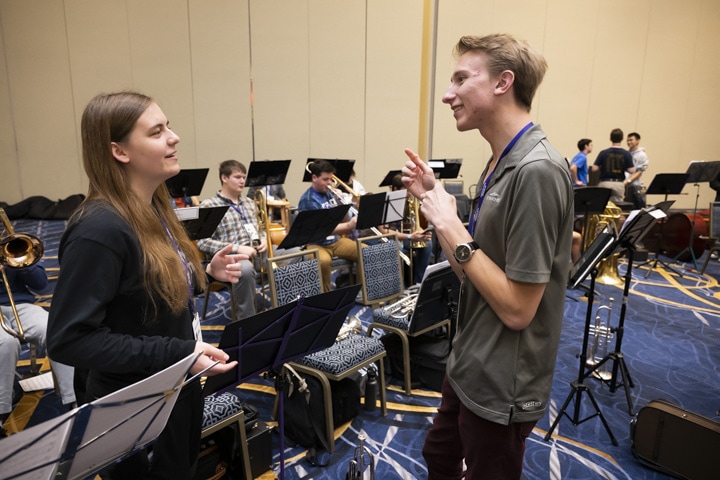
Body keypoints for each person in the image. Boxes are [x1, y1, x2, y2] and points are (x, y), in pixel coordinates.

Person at [401, 34, 573, 479]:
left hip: (502, 382)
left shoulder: (536, 170)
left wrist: (453, 225)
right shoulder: (501, 161)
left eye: (461, 78)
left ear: (503, 83)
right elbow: (469, 270)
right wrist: (440, 214)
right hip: (469, 361)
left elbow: (517, 309)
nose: (447, 94)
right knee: (440, 459)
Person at [47, 91, 242, 479]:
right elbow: (70, 339)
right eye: (157, 131)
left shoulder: (153, 206)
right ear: (119, 151)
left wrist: (203, 275)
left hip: (176, 382)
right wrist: (180, 351)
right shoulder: (98, 229)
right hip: (133, 403)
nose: (174, 137)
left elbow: (141, 295)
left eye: (168, 126)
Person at [197, 160, 302, 320]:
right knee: (244, 269)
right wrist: (237, 248)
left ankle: (285, 306)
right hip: (231, 258)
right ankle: (247, 321)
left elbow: (260, 228)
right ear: (224, 178)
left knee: (296, 252)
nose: (242, 181)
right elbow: (203, 242)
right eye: (237, 177)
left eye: (244, 177)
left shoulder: (249, 203)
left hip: (258, 252)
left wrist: (264, 239)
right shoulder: (209, 205)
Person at [1, 264, 76, 437]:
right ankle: (1, 412)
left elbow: (41, 284)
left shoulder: (7, 240)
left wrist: (20, 264)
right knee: (6, 343)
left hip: (20, 305)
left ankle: (74, 399)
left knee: (55, 331)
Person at [297, 159, 359, 292]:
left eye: (331, 179)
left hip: (335, 242)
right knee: (324, 262)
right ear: (314, 178)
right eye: (325, 179)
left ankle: (360, 292)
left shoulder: (330, 193)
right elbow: (322, 230)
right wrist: (349, 225)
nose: (329, 183)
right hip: (315, 243)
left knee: (365, 251)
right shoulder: (308, 200)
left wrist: (342, 204)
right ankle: (326, 296)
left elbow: (343, 220)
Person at [379, 173, 433, 285]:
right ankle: (398, 286)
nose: (410, 194)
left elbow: (412, 225)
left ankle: (419, 282)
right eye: (406, 191)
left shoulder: (408, 202)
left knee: (427, 243)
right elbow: (384, 231)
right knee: (396, 246)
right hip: (384, 238)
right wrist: (410, 236)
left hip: (403, 236)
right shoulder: (384, 202)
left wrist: (420, 234)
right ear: (395, 189)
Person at [591, 128, 635, 203]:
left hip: (605, 182)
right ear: (622, 139)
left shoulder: (603, 152)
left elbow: (594, 168)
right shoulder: (626, 154)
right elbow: (631, 170)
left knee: (601, 204)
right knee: (617, 206)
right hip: (618, 183)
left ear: (610, 138)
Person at [625, 132, 649, 208]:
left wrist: (628, 181)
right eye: (628, 140)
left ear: (638, 141)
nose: (629, 142)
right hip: (625, 186)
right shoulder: (626, 153)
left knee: (638, 209)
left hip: (635, 186)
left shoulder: (642, 154)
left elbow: (639, 171)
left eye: (631, 140)